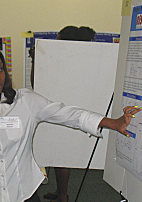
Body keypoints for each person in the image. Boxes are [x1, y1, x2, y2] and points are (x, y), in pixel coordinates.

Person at [0, 43, 140, 202]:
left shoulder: (24, 102)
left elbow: (68, 114)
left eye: (0, 68)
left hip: (26, 193)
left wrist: (114, 123)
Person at [43, 25, 96, 202]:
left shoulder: (68, 60)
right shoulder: (85, 59)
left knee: (62, 157)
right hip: (67, 111)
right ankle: (61, 193)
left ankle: (63, 196)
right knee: (61, 157)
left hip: (68, 113)